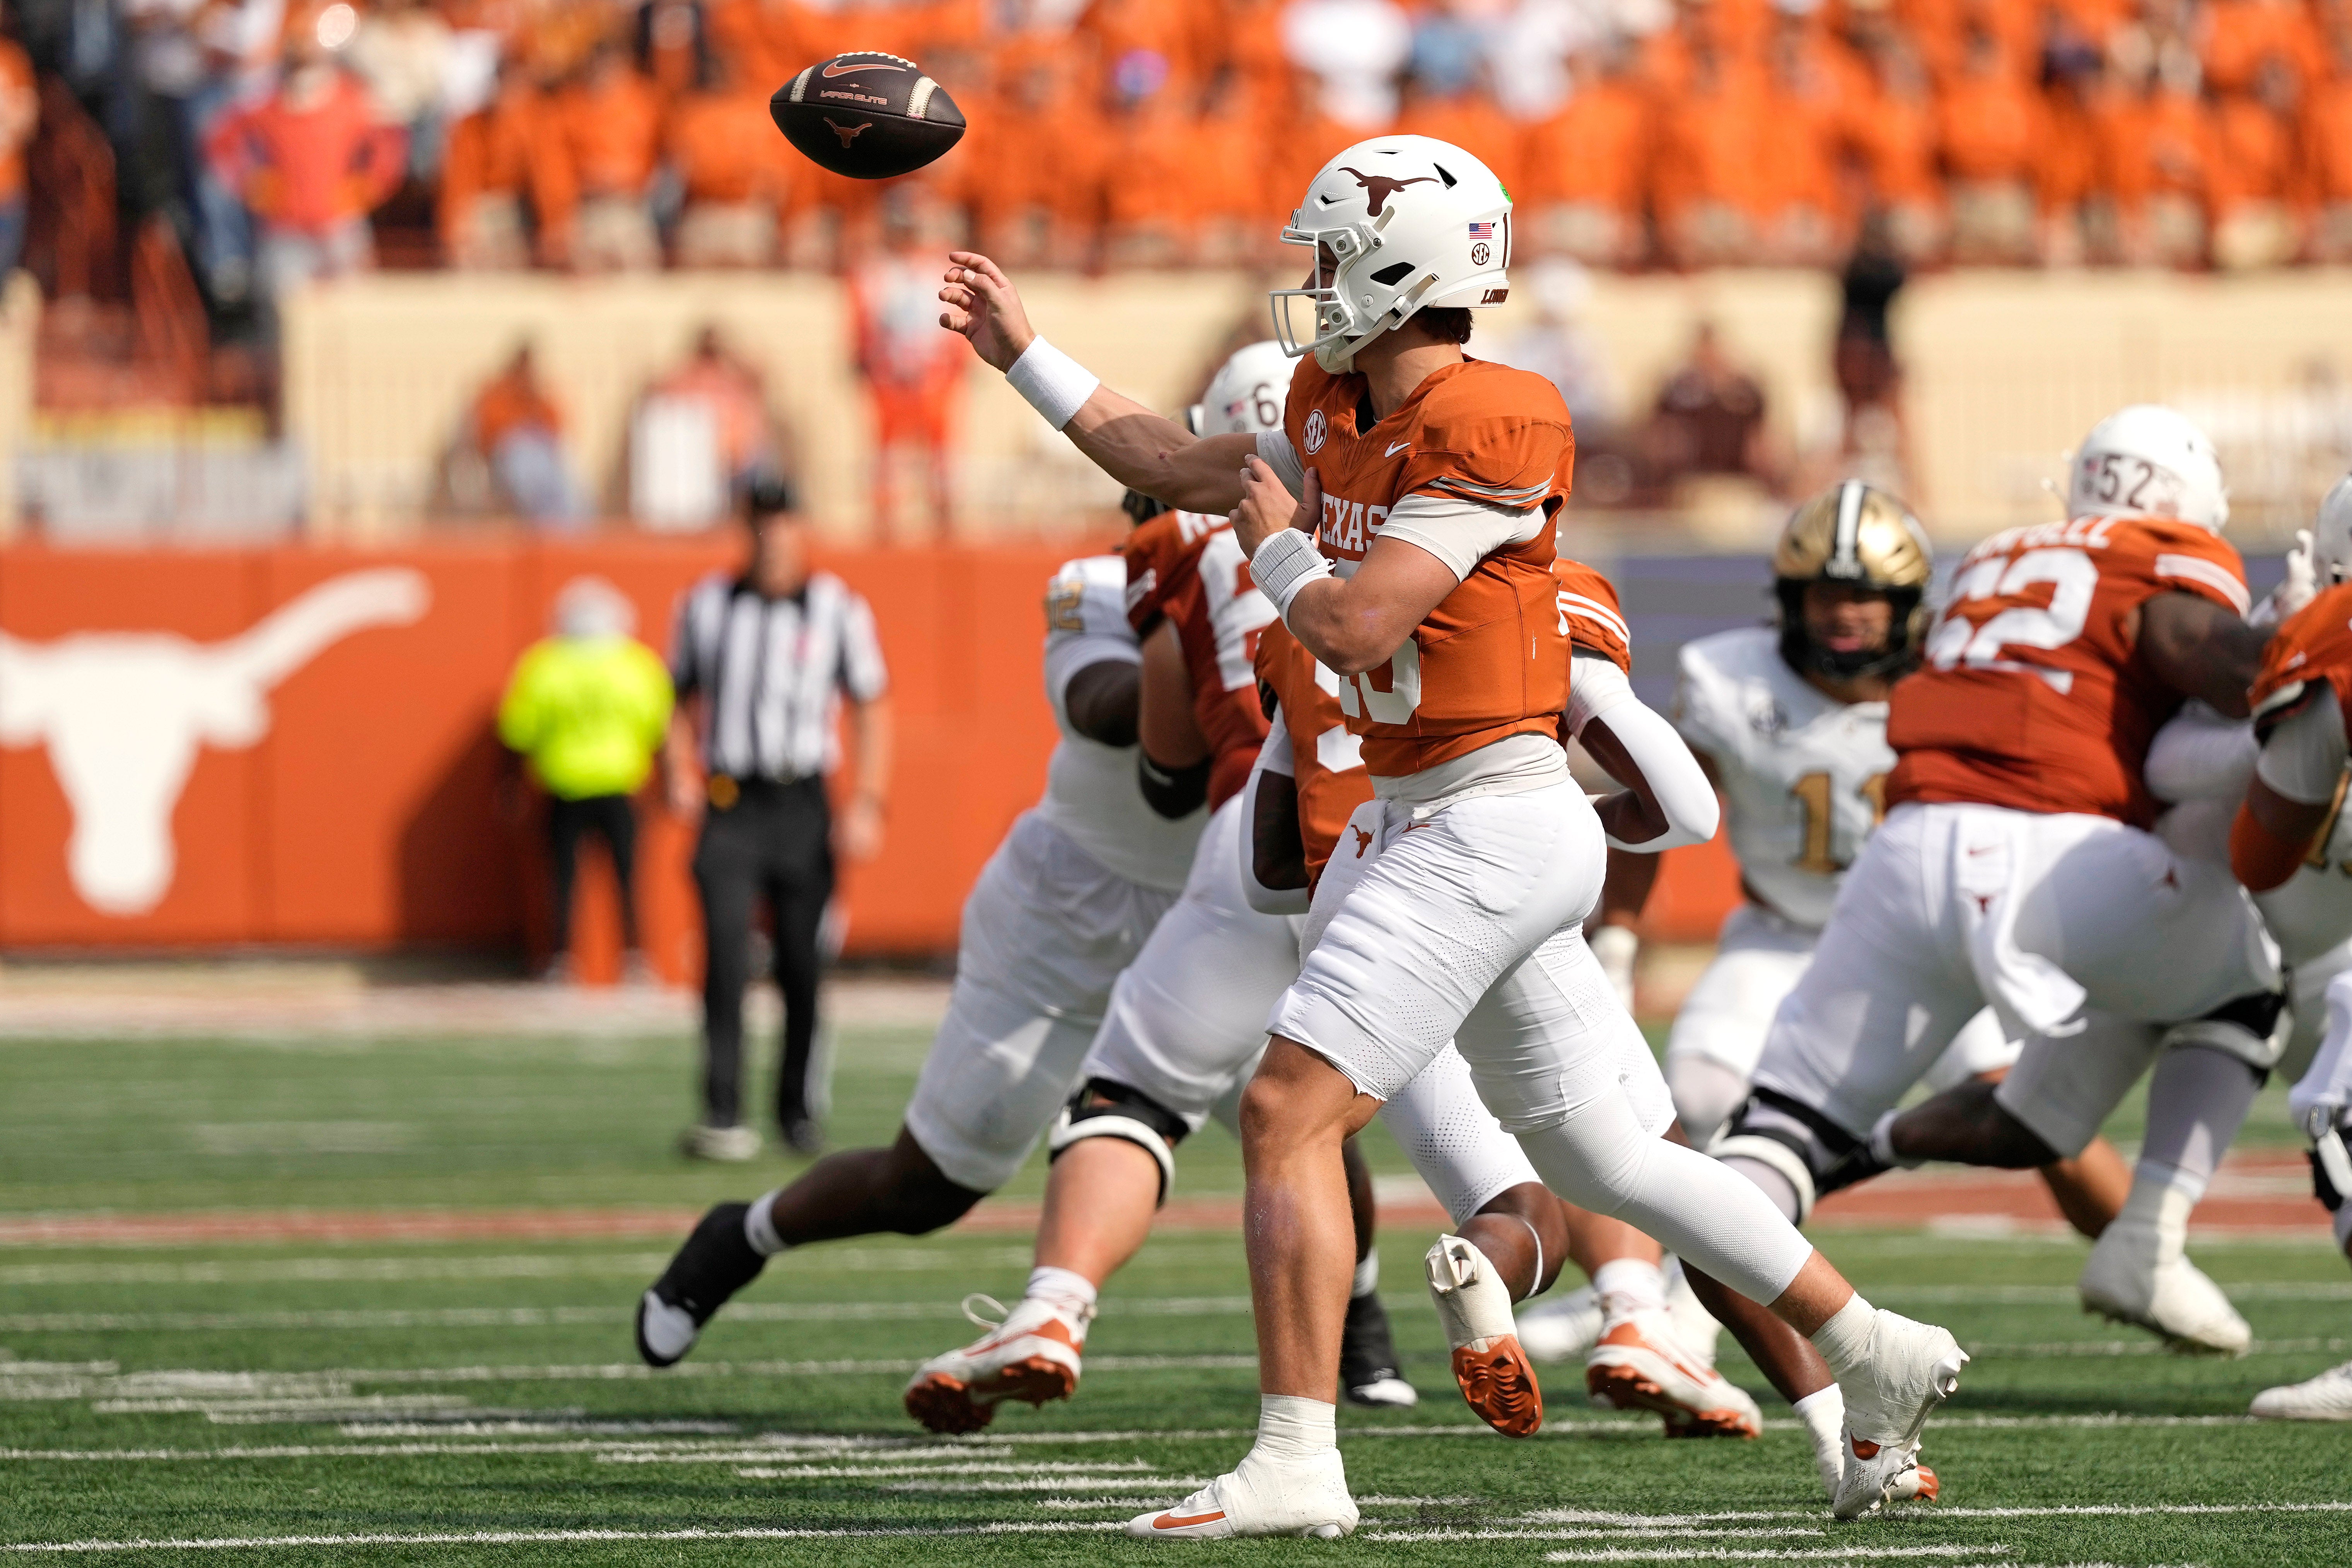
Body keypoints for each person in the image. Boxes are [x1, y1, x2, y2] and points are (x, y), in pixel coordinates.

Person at [938, 132, 1967, 1538]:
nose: (1306, 285)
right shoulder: (1327, 400)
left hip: (1486, 814)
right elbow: (1174, 458)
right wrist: (1022, 352)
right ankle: (1868, 1344)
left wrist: (1275, 539)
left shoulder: (1498, 417)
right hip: (1427, 811)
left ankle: (1298, 1457)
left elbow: (1356, 621)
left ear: (1394, 269)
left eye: (1326, 259)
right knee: (1608, 1159)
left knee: (1283, 1107)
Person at [1707, 409, 2281, 1387]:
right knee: (2243, 981)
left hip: (1903, 850)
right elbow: (2224, 674)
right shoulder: (2164, 555)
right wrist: (2297, 639)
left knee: (1773, 1134)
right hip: (2051, 857)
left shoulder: (1997, 553)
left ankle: (1679, 1292)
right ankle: (2143, 1235)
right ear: (2181, 495)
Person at [635, 537, 1202, 1361]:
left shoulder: (1330, 572)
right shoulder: (1102, 583)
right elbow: (1128, 726)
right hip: (1067, 912)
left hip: (1220, 896)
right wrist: (1237, 657)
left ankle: (1356, 1343)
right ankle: (745, 1226)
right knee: (929, 1182)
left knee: (1299, 1107)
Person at [664, 476, 891, 1160]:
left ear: (800, 526)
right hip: (732, 800)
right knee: (725, 957)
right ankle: (723, 1109)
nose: (770, 533)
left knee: (801, 963)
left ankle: (796, 1111)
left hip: (802, 802)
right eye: (759, 519)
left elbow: (873, 703)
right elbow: (677, 696)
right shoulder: (705, 606)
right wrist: (679, 770)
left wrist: (868, 800)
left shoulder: (837, 609)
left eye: (781, 518)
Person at [497, 576, 674, 984]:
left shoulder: (545, 664)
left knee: (563, 881)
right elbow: (662, 730)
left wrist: (510, 785)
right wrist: (666, 781)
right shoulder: (636, 664)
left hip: (565, 784)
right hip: (621, 783)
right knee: (629, 879)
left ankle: (561, 960)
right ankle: (635, 958)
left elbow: (516, 731)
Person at [463, 343, 585, 526]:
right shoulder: (497, 393)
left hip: (545, 458)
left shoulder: (538, 395)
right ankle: (542, 526)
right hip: (510, 459)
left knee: (569, 482)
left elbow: (557, 427)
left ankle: (570, 533)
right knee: (525, 466)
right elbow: (489, 433)